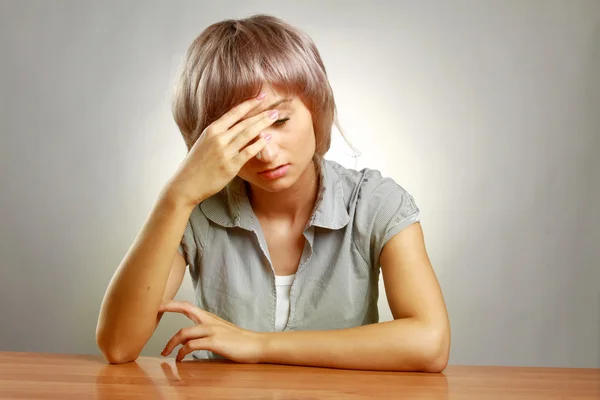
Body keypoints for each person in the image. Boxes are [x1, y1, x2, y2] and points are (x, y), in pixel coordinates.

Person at [96, 14, 450, 372]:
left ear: (316, 107)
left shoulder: (376, 203)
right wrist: (177, 195)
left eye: (279, 121)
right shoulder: (195, 212)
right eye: (238, 133)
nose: (265, 152)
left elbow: (430, 343)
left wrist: (257, 345)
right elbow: (118, 344)